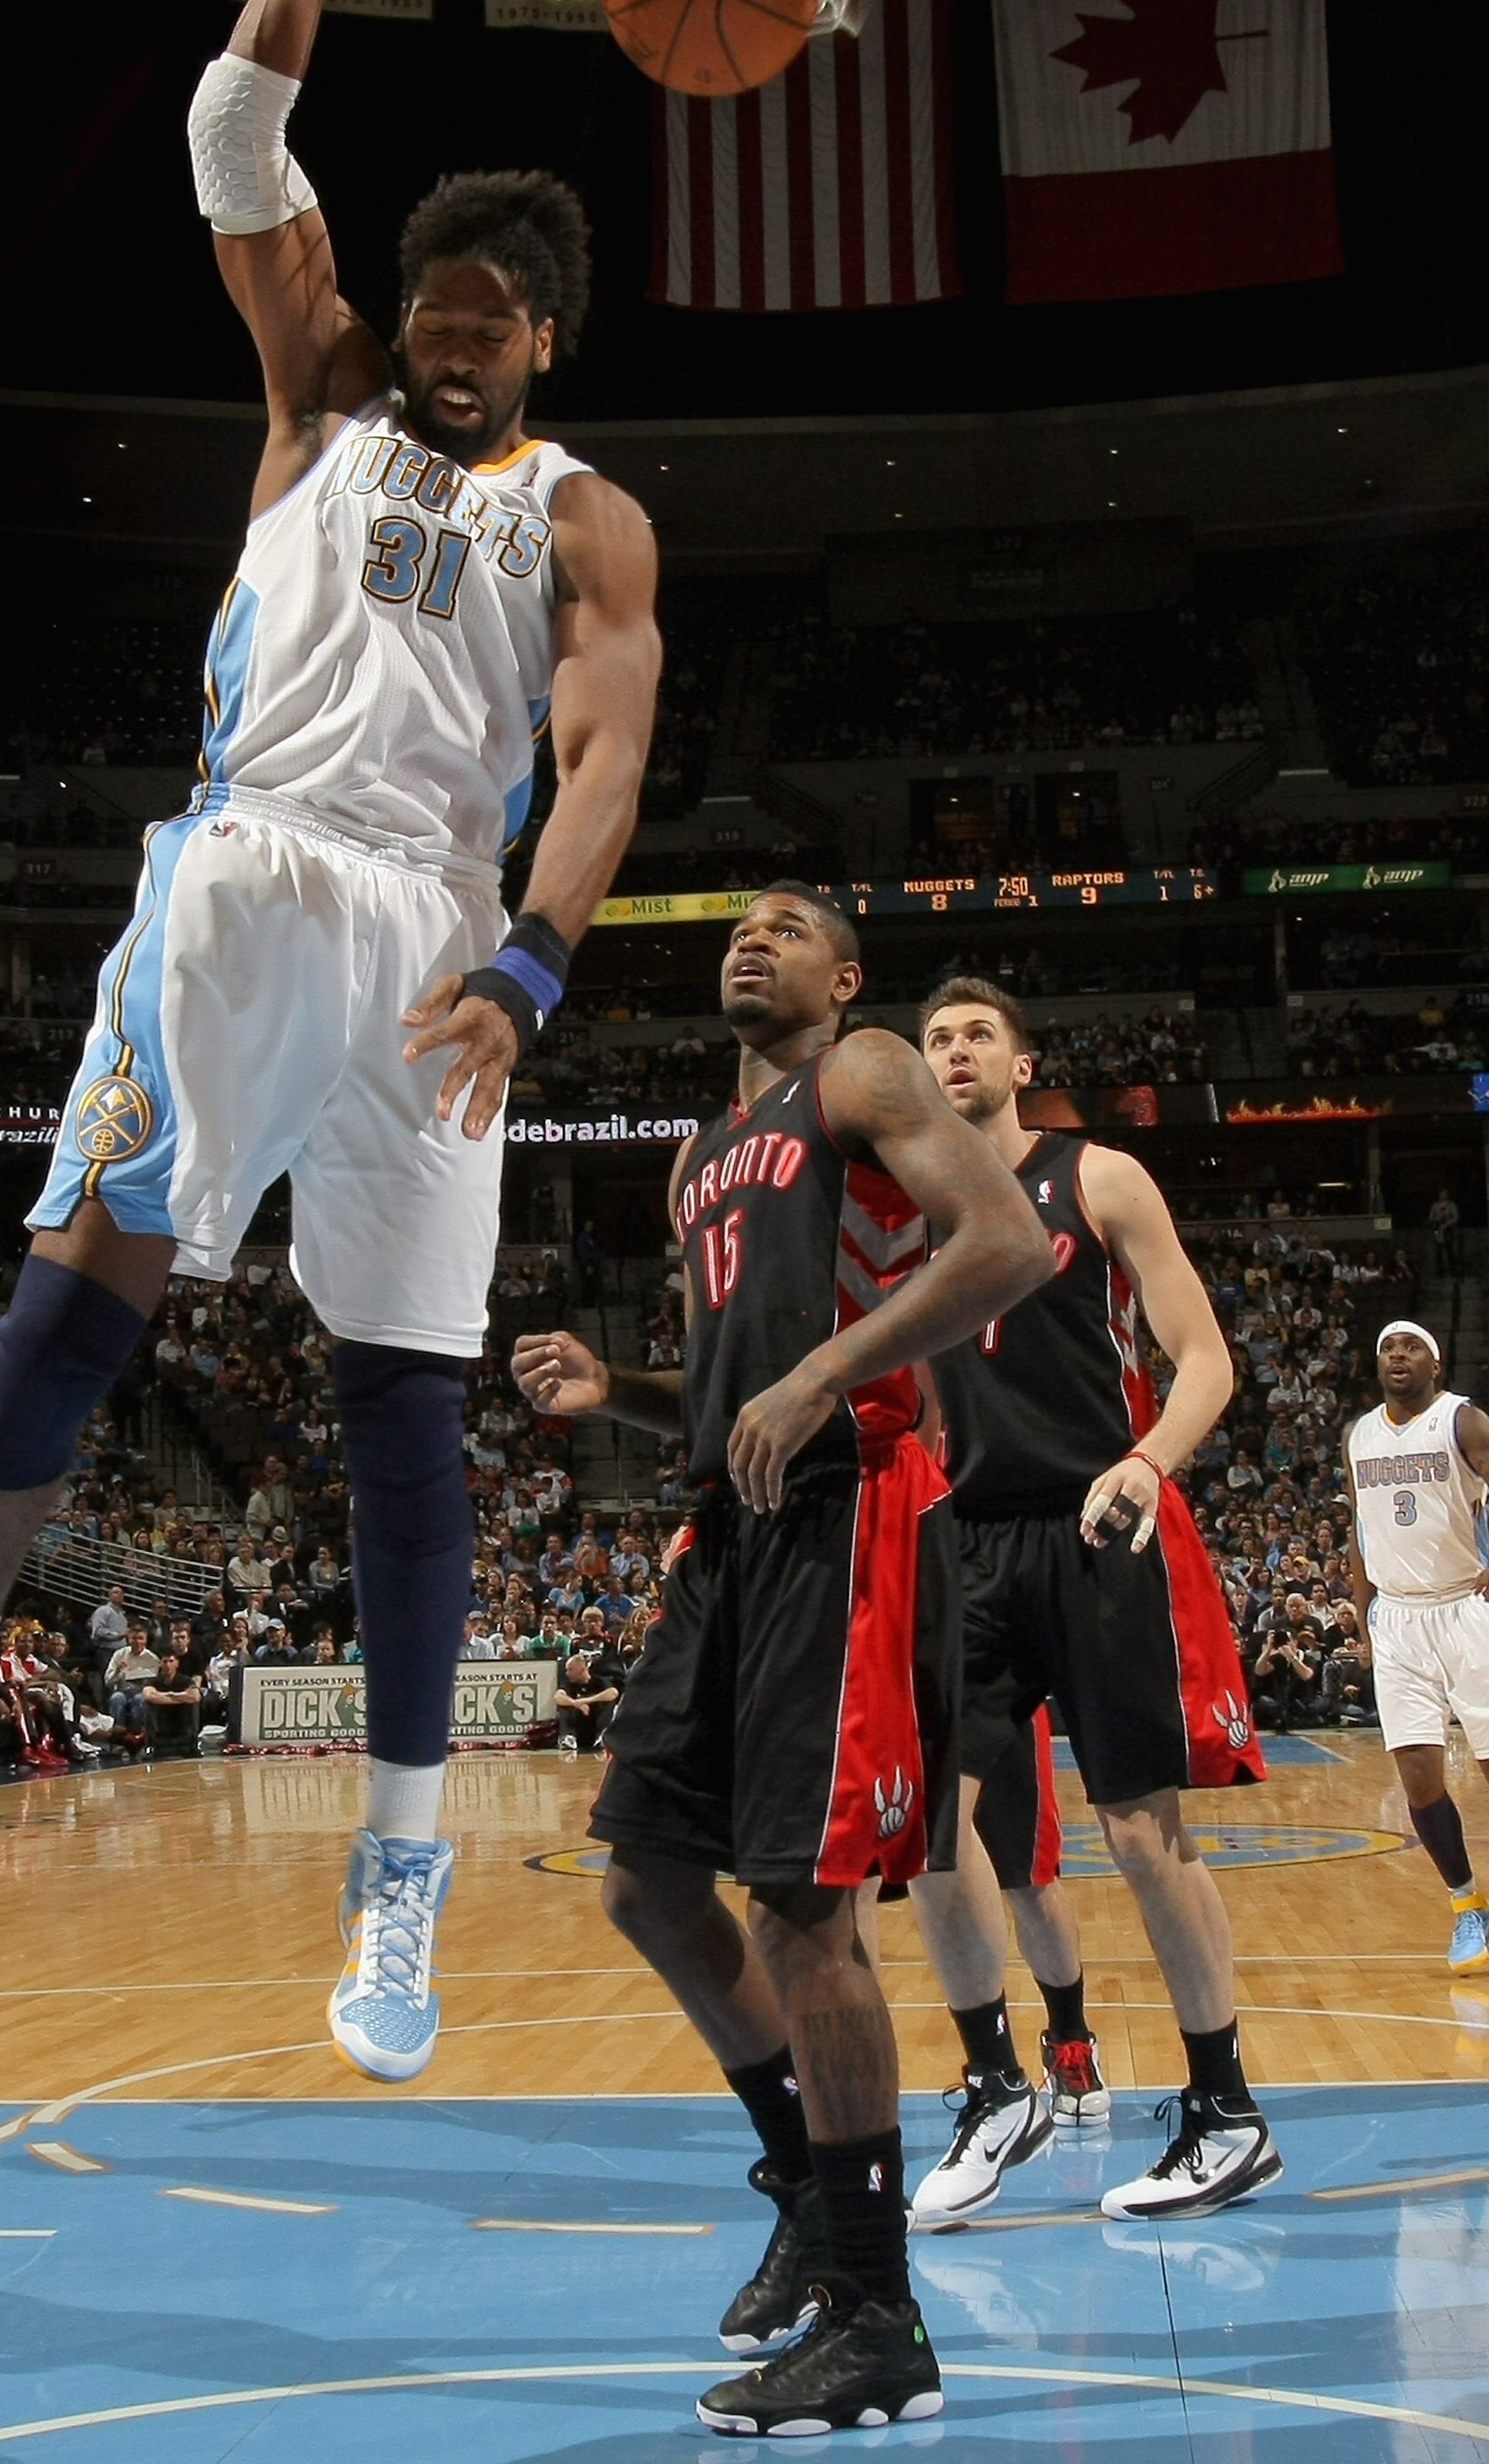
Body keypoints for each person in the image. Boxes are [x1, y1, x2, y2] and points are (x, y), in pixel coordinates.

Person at [0, 0, 660, 2099]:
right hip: (250, 878)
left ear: (546, 339)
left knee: (406, 1427)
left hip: (439, 940)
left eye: (491, 315)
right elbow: (225, 132)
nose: (454, 334)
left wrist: (535, 966)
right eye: (434, 304)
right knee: (75, 1315)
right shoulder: (321, 393)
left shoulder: (584, 517)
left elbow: (602, 757)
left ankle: (398, 1886)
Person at [512, 885, 1050, 2437]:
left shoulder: (865, 1072)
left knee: (807, 1915)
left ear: (845, 974)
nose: (753, 941)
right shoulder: (697, 1160)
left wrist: (827, 1371)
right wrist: (616, 1387)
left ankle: (880, 2322)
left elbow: (1006, 1241)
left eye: (790, 922)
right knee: (644, 1882)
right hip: (730, 1523)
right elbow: (722, 1400)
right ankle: (807, 2193)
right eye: (736, 927)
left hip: (858, 1504)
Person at [905, 979, 1280, 2225]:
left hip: (1097, 1524)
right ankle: (996, 2084)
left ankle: (1225, 2111)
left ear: (1019, 1063)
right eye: (935, 1040)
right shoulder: (912, 1208)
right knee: (924, 1833)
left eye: (973, 1036)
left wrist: (1144, 1462)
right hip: (967, 1544)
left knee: (1136, 1835)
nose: (952, 1052)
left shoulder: (1098, 1179)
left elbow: (1207, 1362)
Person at [1345, 1322, 1489, 1974]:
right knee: (1418, 1778)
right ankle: (1467, 1909)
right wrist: (1360, 1611)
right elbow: (1358, 1526)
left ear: (1436, 1360)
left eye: (1410, 1349)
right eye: (1387, 1349)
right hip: (1397, 1619)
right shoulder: (1360, 1434)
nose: (1397, 1357)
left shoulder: (1464, 1422)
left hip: (1466, 1606)